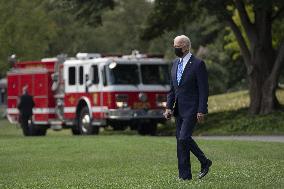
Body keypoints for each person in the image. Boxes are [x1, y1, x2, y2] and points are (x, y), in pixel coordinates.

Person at [164, 35, 212, 180]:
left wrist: (202, 109)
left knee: (184, 138)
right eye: (174, 45)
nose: (175, 48)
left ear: (186, 46)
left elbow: (204, 89)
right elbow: (173, 89)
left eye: (177, 46)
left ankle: (204, 161)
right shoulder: (175, 63)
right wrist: (168, 107)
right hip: (178, 109)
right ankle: (184, 176)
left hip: (192, 108)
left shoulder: (198, 64)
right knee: (180, 142)